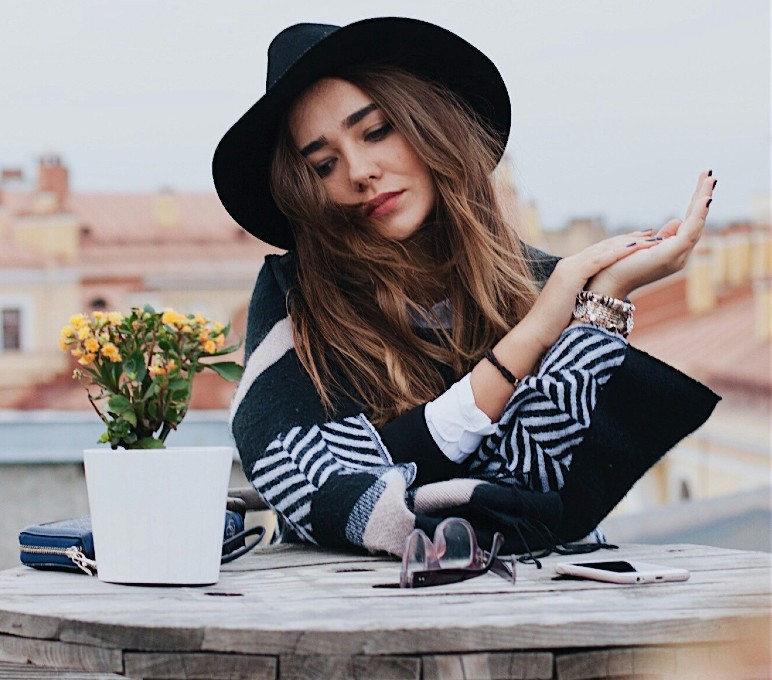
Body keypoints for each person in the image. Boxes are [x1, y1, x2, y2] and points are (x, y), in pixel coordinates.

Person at [213, 18, 720, 559]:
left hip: (547, 617)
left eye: (376, 131)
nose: (359, 171)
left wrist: (602, 301)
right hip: (356, 620)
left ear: (428, 124)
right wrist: (535, 334)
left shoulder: (538, 283)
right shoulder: (297, 303)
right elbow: (325, 490)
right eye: (324, 164)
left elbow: (534, 489)